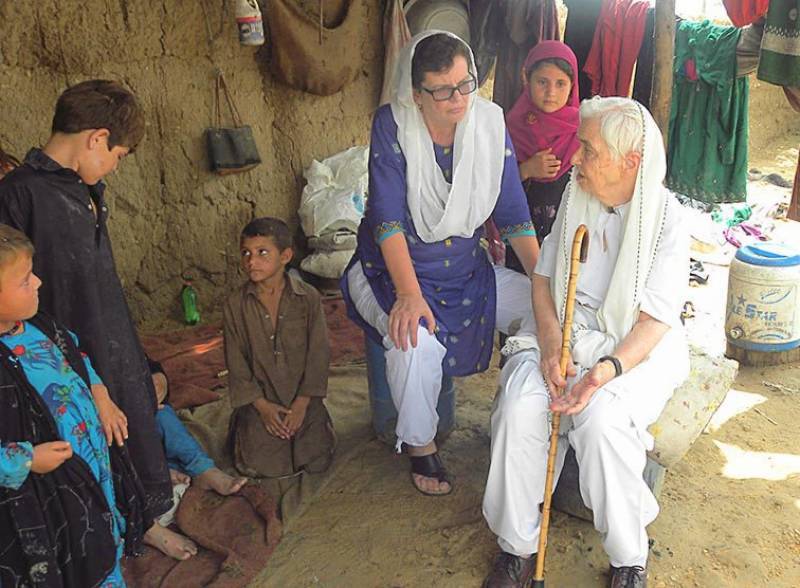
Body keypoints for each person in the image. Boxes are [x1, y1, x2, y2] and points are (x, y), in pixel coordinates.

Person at [481, 97, 690, 588]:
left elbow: (655, 321)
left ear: (630, 161)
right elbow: (541, 279)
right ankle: (517, 546)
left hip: (632, 350)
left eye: (589, 150)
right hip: (563, 332)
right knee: (518, 406)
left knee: (602, 421)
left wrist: (604, 371)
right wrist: (553, 345)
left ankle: (628, 556)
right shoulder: (577, 199)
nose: (574, 158)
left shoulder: (668, 221)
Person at [341, 30, 540, 496]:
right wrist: (408, 296)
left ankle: (525, 411)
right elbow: (387, 221)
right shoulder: (393, 124)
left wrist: (545, 284)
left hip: (467, 272)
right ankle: (420, 445)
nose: (458, 98)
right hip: (393, 272)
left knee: (542, 309)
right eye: (443, 89)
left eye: (465, 83)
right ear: (417, 95)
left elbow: (513, 217)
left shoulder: (489, 124)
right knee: (412, 342)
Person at [0, 80, 175, 553]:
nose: (115, 165)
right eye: (118, 154)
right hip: (60, 351)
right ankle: (109, 538)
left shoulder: (85, 188)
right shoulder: (18, 195)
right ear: (97, 139)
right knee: (84, 448)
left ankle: (139, 520)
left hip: (106, 332)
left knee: (129, 426)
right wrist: (83, 374)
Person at [0, 224, 145, 587]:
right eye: (24, 280)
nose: (38, 283)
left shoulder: (39, 326)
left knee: (101, 549)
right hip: (45, 510)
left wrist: (99, 392)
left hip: (91, 481)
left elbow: (75, 355)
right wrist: (27, 459)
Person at [224, 217, 335, 481]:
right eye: (246, 253)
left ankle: (311, 421)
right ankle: (247, 426)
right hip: (261, 401)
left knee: (316, 460)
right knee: (264, 467)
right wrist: (263, 408)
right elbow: (236, 363)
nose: (252, 261)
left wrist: (302, 404)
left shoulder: (307, 298)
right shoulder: (235, 304)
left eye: (263, 253)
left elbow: (319, 353)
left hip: (302, 399)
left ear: (285, 256)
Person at [143, 358, 248, 559]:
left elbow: (145, 362)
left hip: (142, 432)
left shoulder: (111, 335)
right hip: (112, 451)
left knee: (163, 416)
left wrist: (158, 382)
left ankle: (202, 469)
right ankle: (148, 528)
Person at [505, 40, 581, 265]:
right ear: (526, 79)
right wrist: (526, 169)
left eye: (560, 84)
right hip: (522, 233)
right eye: (542, 82)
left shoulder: (584, 130)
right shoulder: (511, 128)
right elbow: (492, 186)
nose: (551, 92)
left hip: (569, 235)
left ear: (572, 87)